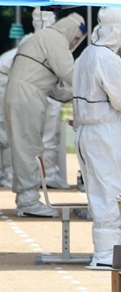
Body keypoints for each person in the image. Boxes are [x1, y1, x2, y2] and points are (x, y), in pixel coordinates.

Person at [73, 7, 121, 267]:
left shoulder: (88, 53)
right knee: (111, 191)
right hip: (104, 131)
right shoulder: (107, 58)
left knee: (98, 191)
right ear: (118, 29)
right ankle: (106, 256)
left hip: (86, 130)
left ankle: (106, 252)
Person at [3, 12, 86, 217]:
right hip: (27, 96)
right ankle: (28, 200)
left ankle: (26, 196)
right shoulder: (54, 38)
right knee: (28, 147)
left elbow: (57, 89)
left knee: (26, 146)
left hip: (25, 94)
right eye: (76, 37)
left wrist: (71, 93)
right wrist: (94, 88)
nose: (74, 42)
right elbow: (70, 74)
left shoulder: (43, 38)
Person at [0, 8, 68, 190]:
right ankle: (21, 184)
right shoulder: (33, 43)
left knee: (43, 140)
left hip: (40, 92)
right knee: (23, 141)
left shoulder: (41, 42)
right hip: (29, 93)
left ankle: (45, 177)